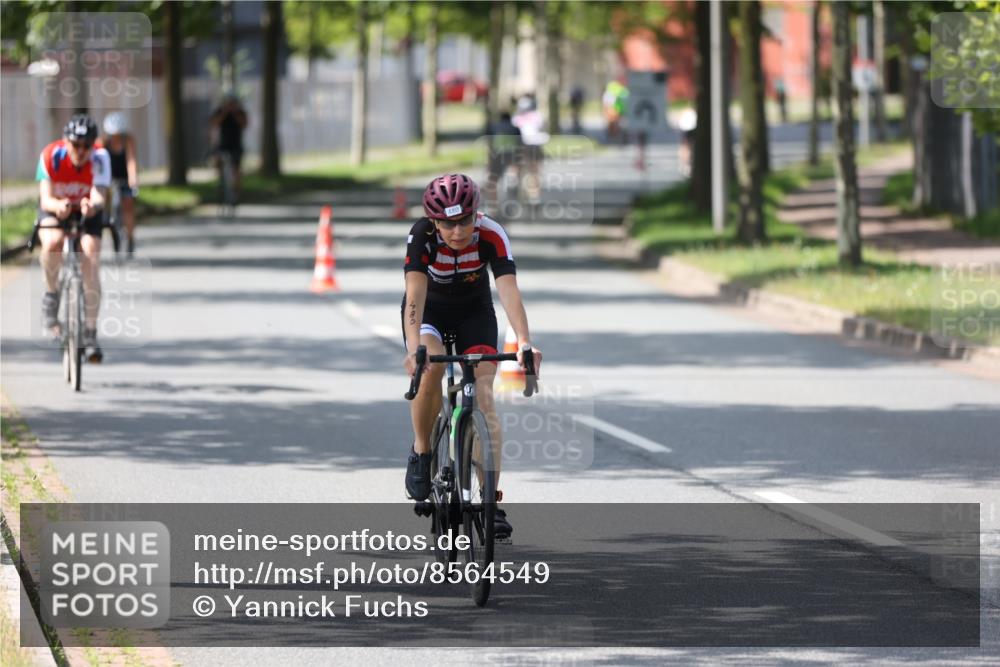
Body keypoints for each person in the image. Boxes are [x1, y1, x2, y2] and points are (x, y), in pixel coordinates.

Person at [402, 174, 542, 538]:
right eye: (448, 223)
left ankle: (490, 499)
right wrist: (413, 348)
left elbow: (509, 292)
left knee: (483, 394)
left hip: (474, 311)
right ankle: (421, 451)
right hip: (430, 312)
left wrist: (524, 342)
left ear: (476, 215)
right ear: (434, 221)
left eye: (464, 220)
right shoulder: (422, 237)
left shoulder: (492, 234)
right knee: (430, 368)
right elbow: (414, 297)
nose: (457, 231)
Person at [35, 114, 111, 362]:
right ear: (65, 142)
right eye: (75, 144)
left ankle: (89, 333)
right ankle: (51, 293)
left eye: (86, 145)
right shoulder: (50, 156)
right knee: (52, 242)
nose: (80, 150)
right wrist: (58, 206)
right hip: (57, 207)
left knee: (91, 257)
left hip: (88, 210)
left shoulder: (100, 158)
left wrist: (92, 204)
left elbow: (100, 194)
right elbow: (45, 198)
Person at [101, 112, 139, 256]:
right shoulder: (103, 142)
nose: (116, 136)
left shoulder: (128, 140)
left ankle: (130, 238)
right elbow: (100, 163)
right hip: (109, 177)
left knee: (128, 206)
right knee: (107, 203)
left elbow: (131, 161)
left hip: (124, 177)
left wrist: (133, 179)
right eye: (113, 134)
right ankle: (111, 229)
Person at [208, 94, 248, 201]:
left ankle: (236, 193)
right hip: (223, 144)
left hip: (236, 145)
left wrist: (235, 113)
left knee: (236, 169)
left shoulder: (240, 112)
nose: (230, 105)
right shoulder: (220, 111)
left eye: (232, 103)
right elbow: (214, 123)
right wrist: (224, 112)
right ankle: (221, 182)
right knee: (217, 159)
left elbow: (244, 124)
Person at [484, 111, 523, 213]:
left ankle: (493, 206)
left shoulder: (492, 127)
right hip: (511, 158)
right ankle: (511, 203)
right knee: (512, 181)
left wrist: (489, 162)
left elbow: (489, 145)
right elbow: (519, 146)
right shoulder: (515, 128)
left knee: (492, 182)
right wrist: (518, 164)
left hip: (496, 157)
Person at [511, 94, 548, 203]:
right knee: (534, 171)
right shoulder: (538, 116)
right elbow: (543, 129)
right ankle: (534, 196)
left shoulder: (515, 118)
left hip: (521, 146)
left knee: (518, 166)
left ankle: (514, 180)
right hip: (534, 145)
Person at [602, 79, 629, 144]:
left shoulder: (615, 91)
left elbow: (606, 102)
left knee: (615, 123)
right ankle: (614, 135)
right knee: (615, 123)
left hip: (615, 109)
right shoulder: (619, 90)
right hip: (615, 109)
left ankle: (615, 135)